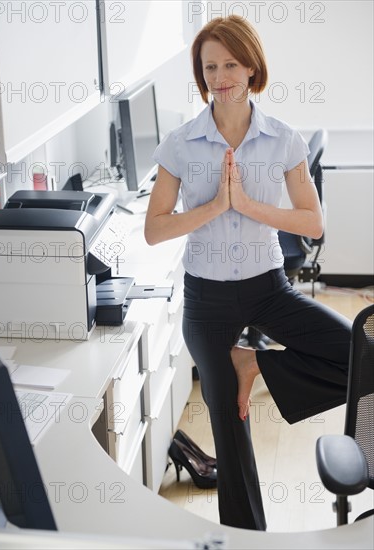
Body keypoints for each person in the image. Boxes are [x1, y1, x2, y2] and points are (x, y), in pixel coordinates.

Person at [144, 15, 351, 531]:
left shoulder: (282, 139)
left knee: (363, 356)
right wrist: (216, 205)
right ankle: (246, 541)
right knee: (230, 434)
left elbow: (313, 222)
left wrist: (248, 206)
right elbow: (154, 230)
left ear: (252, 65)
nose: (220, 76)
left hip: (268, 291)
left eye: (230, 63)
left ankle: (255, 365)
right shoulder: (180, 144)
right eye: (210, 66)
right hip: (207, 302)